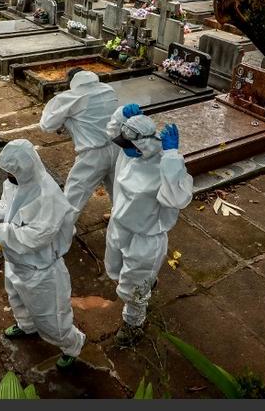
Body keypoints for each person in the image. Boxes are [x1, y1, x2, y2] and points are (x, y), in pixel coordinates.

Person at [0, 139, 86, 369]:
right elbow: (6, 208)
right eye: (7, 173)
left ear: (25, 171)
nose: (8, 178)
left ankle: (71, 345)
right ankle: (26, 326)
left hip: (41, 270)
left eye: (12, 174)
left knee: (52, 318)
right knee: (16, 299)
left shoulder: (48, 196)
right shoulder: (15, 183)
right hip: (16, 261)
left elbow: (35, 237)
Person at [105, 103, 194, 348]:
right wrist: (121, 112)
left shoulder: (164, 166)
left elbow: (178, 198)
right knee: (115, 267)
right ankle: (148, 281)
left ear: (142, 144)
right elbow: (112, 133)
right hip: (121, 225)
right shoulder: (131, 152)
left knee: (133, 287)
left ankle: (134, 322)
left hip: (145, 237)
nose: (124, 149)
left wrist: (173, 157)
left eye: (129, 146)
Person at [38, 68, 119, 227]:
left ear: (71, 82)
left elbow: (47, 125)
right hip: (118, 147)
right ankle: (120, 219)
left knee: (74, 195)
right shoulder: (108, 89)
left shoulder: (70, 97)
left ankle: (59, 233)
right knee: (118, 189)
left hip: (93, 154)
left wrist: (66, 119)